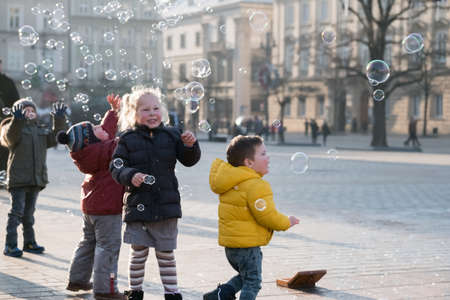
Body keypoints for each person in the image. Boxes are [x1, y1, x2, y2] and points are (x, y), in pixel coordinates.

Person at [110, 87, 201, 300]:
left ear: (162, 110)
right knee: (138, 254)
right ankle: (135, 291)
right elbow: (116, 166)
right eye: (145, 109)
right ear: (133, 113)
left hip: (165, 205)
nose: (152, 113)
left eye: (155, 108)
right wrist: (129, 174)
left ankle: (172, 293)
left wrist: (190, 146)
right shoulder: (127, 138)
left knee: (166, 254)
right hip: (138, 205)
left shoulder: (172, 134)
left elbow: (188, 161)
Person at [204, 135, 299, 300]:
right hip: (248, 247)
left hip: (231, 247)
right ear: (249, 162)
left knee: (245, 276)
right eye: (263, 154)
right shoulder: (257, 185)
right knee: (253, 282)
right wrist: (286, 222)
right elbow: (267, 216)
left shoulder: (231, 182)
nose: (268, 157)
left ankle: (220, 294)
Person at [57, 94, 126, 300]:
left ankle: (77, 279)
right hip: (108, 209)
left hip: (91, 207)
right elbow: (116, 140)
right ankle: (106, 289)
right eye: (96, 129)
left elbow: (106, 131)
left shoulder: (90, 152)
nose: (101, 127)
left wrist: (113, 112)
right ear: (92, 140)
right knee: (109, 246)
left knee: (88, 242)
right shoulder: (107, 149)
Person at [1, 99, 67, 257]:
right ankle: (10, 245)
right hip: (18, 179)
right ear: (18, 112)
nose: (30, 113)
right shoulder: (11, 126)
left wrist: (58, 119)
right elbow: (10, 138)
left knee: (29, 214)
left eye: (32, 110)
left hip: (35, 179)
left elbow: (56, 138)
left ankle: (29, 243)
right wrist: (17, 120)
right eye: (26, 110)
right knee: (16, 213)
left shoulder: (40, 130)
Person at [0, 59, 20, 174]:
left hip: (5, 123)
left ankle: (3, 173)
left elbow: (16, 102)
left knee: (4, 149)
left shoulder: (7, 82)